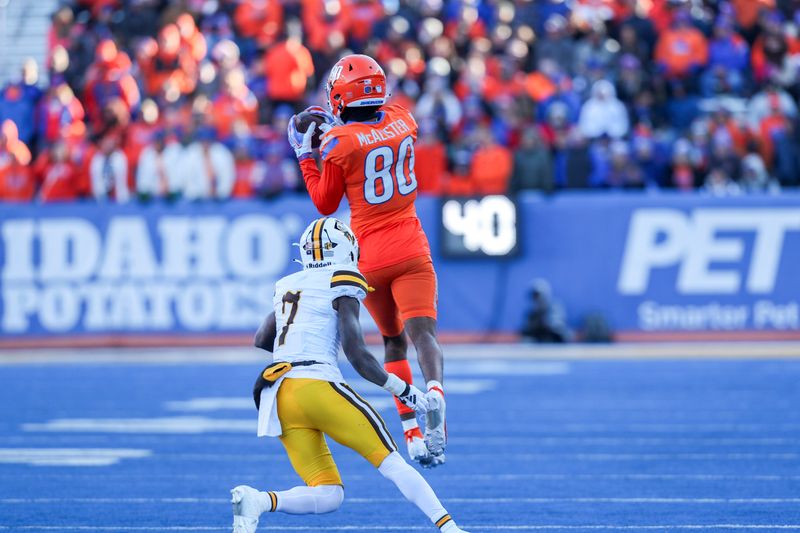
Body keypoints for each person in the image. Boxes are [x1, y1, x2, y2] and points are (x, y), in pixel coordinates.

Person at [230, 217, 469, 533]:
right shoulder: (343, 277)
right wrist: (405, 391)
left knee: (328, 494)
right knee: (392, 463)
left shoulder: (288, 284)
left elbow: (262, 339)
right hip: (317, 386)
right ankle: (450, 528)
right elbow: (358, 356)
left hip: (278, 394)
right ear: (345, 248)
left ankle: (258, 501)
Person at [287, 55, 447, 467]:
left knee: (392, 341)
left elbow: (325, 203)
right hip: (411, 244)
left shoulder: (340, 143)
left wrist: (307, 155)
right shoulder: (403, 118)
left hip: (369, 255)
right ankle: (436, 398)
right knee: (424, 335)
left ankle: (411, 431)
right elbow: (375, 128)